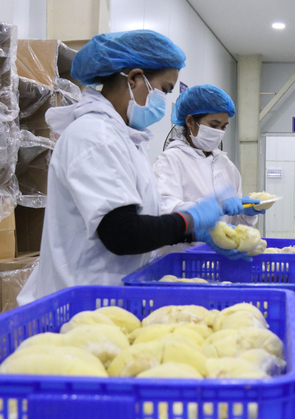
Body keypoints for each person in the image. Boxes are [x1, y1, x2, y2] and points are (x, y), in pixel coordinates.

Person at [17, 30, 256, 306]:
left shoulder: (125, 139)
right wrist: (190, 220)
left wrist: (193, 231)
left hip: (108, 298)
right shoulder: (95, 137)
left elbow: (141, 216)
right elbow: (123, 233)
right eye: (165, 90)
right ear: (134, 78)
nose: (163, 102)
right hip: (82, 301)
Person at [153, 84, 263, 226]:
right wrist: (215, 207)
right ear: (190, 121)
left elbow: (236, 225)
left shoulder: (227, 166)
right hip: (184, 247)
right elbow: (165, 212)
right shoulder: (170, 161)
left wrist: (245, 214)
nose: (219, 132)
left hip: (220, 248)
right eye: (213, 125)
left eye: (223, 127)